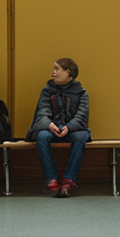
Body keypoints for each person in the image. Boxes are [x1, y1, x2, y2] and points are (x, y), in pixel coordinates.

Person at [24, 58, 91, 197]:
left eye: (56, 69)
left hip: (71, 130)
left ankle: (69, 179)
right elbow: (42, 113)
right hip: (51, 129)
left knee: (82, 137)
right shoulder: (47, 91)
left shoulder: (81, 93)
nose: (52, 73)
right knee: (42, 136)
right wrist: (50, 125)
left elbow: (82, 117)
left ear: (68, 72)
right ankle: (51, 178)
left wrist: (69, 127)